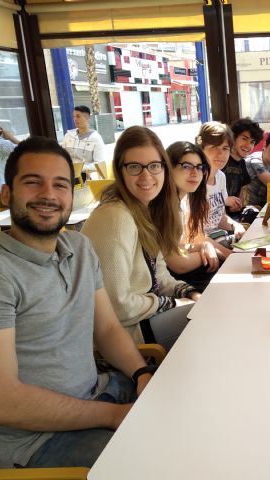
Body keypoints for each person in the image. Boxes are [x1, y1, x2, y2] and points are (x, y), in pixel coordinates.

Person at [0, 136, 151, 469]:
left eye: (60, 185)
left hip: (99, 394)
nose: (48, 195)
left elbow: (108, 329)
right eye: (33, 182)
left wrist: (140, 372)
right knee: (157, 461)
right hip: (34, 443)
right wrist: (112, 416)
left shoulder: (78, 248)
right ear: (7, 193)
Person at [82, 126, 199, 352]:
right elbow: (118, 306)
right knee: (209, 320)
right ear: (120, 170)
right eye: (135, 167)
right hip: (124, 334)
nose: (146, 176)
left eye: (154, 166)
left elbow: (160, 276)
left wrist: (189, 292)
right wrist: (169, 303)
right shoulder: (115, 217)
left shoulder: (145, 210)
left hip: (143, 318)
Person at [165, 141, 219, 292]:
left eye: (200, 167)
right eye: (186, 166)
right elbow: (178, 264)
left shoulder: (183, 200)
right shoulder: (165, 207)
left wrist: (203, 246)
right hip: (167, 284)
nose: (195, 173)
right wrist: (208, 254)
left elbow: (179, 246)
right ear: (169, 168)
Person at [196, 122, 246, 259]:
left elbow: (220, 217)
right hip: (201, 244)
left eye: (225, 148)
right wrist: (230, 256)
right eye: (214, 147)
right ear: (201, 149)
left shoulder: (221, 176)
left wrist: (236, 226)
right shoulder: (194, 181)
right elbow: (194, 235)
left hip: (219, 236)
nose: (221, 154)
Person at [223, 118, 264, 219]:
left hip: (234, 215)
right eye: (244, 139)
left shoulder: (242, 164)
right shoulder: (222, 160)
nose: (248, 145)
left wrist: (238, 205)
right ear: (234, 138)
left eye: (252, 142)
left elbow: (241, 190)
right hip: (219, 217)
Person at [60, 105, 105, 172]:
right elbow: (61, 156)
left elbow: (99, 164)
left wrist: (78, 168)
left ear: (87, 118)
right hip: (67, 173)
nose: (75, 119)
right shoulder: (68, 135)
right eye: (74, 116)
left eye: (78, 116)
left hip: (85, 175)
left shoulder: (96, 138)